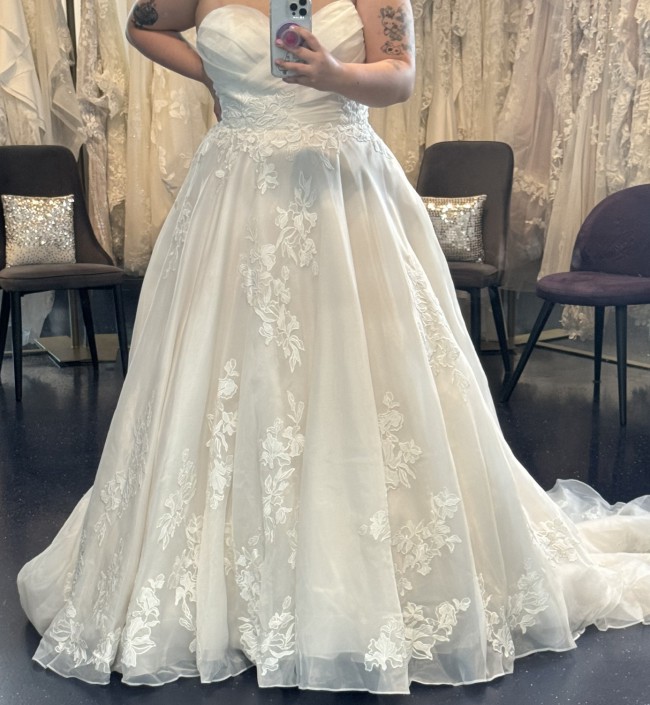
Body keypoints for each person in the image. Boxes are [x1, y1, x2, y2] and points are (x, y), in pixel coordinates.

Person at [17, 0, 650, 693]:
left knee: (361, 376)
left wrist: (334, 74)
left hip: (343, 195)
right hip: (235, 199)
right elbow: (142, 25)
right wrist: (210, 75)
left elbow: (400, 75)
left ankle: (357, 575)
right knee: (230, 375)